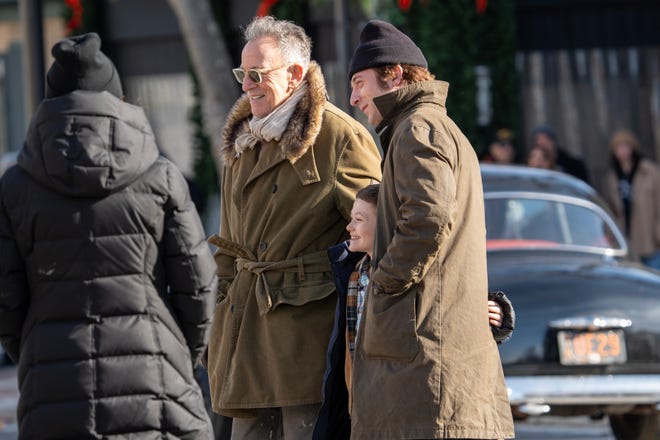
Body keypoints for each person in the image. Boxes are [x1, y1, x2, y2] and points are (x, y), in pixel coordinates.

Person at [0, 33, 216, 438]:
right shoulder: (160, 176)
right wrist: (177, 350)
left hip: (53, 384)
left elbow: (6, 298)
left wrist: (35, 347)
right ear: (116, 99)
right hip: (156, 381)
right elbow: (198, 285)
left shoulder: (14, 187)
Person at [205, 16, 382, 439]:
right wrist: (222, 312)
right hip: (246, 337)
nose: (246, 85)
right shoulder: (242, 141)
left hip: (307, 342)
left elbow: (376, 235)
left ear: (296, 74)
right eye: (241, 74)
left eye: (257, 74)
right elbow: (229, 247)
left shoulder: (339, 137)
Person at [346, 20, 515, 438]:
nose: (353, 97)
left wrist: (385, 283)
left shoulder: (416, 129)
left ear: (395, 75)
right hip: (431, 357)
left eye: (359, 83)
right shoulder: (432, 127)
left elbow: (429, 216)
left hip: (423, 361)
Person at [314, 184, 515, 440]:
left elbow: (447, 309)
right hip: (363, 406)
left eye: (359, 219)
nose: (349, 227)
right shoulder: (352, 273)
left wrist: (497, 313)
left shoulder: (414, 274)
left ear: (386, 225)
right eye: (352, 218)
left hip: (403, 407)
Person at [602, 129, 660, 269]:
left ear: (632, 147)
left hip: (650, 238)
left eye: (625, 146)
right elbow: (610, 208)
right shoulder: (613, 177)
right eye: (618, 147)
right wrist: (610, 235)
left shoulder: (649, 172)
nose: (622, 151)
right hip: (625, 238)